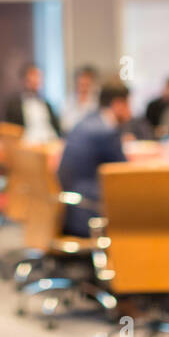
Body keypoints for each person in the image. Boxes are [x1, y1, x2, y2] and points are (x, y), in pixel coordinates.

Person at [56, 79, 131, 237]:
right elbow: (126, 174)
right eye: (128, 105)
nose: (130, 111)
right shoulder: (106, 132)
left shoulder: (86, 121)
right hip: (88, 212)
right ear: (118, 104)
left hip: (67, 208)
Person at [4, 62, 61, 144]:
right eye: (33, 76)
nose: (36, 80)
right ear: (25, 79)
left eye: (39, 76)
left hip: (50, 142)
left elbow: (57, 128)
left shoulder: (47, 104)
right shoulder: (14, 105)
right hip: (28, 146)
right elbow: (10, 131)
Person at [60, 65, 100, 134]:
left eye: (86, 84)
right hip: (72, 135)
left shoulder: (97, 101)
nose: (83, 87)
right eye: (81, 84)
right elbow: (64, 125)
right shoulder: (69, 101)